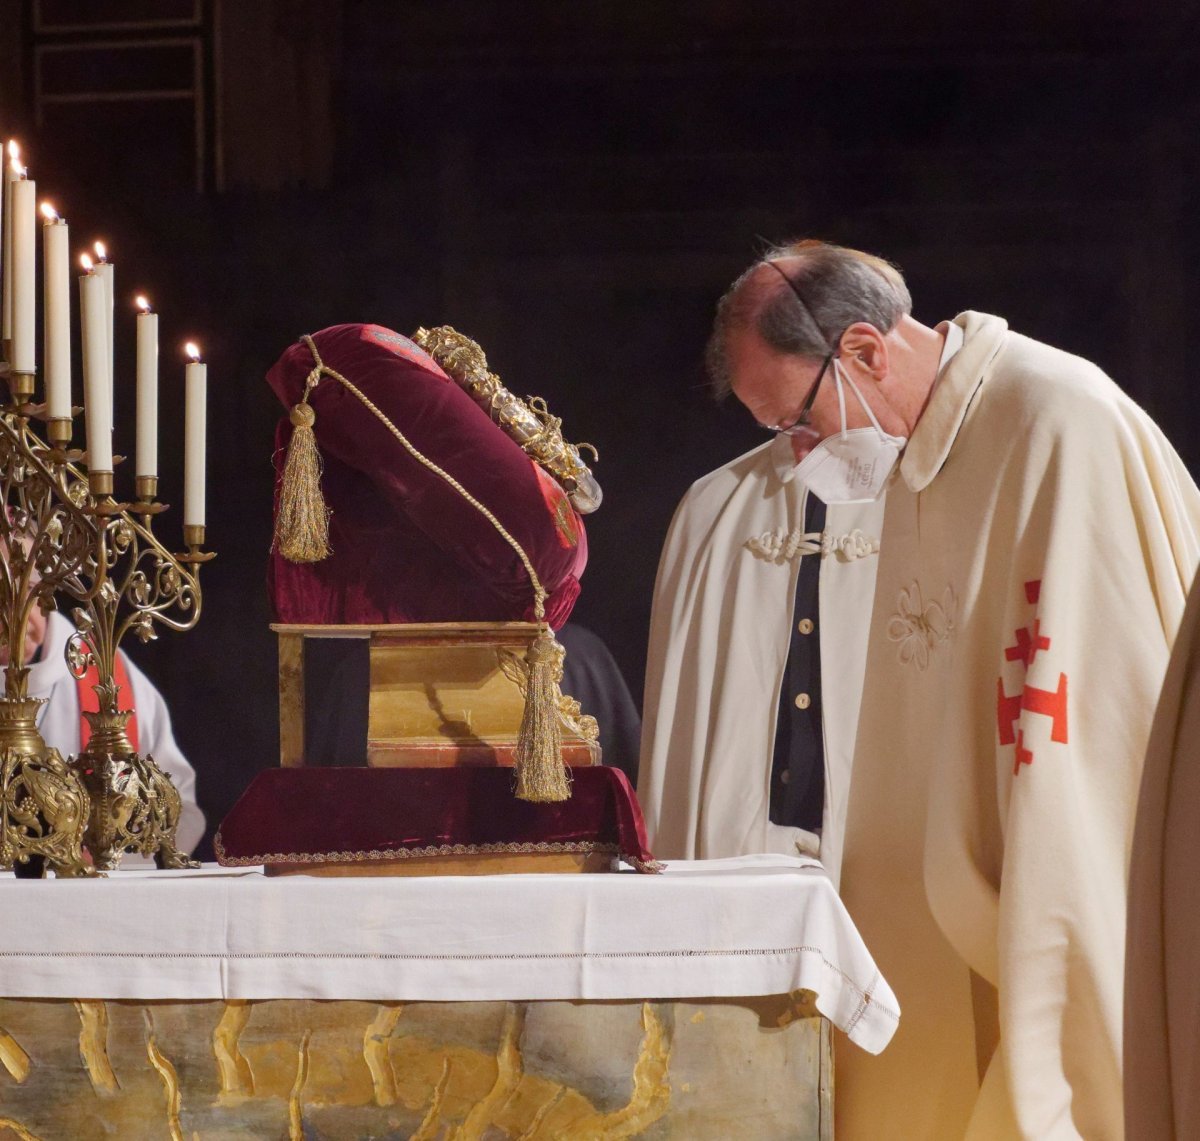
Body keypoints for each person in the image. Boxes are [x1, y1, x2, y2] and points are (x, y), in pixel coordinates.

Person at [643, 239, 1200, 1138]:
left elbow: (1103, 701)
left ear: (865, 352)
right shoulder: (926, 456)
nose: (799, 453)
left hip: (1061, 848)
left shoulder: (1058, 420)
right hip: (950, 885)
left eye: (801, 420)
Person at [0, 603, 205, 858]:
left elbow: (173, 803)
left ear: (46, 592)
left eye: (28, 586)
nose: (13, 610)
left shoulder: (103, 671)